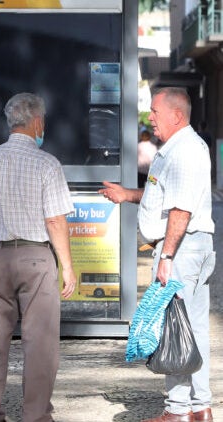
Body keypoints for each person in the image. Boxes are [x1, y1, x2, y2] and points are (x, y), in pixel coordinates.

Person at [0, 92, 76, 422]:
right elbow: (55, 221)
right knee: (39, 345)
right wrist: (67, 266)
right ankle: (35, 416)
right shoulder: (46, 163)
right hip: (36, 261)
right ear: (37, 122)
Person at [99, 87, 215, 422]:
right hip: (188, 248)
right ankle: (199, 407)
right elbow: (163, 198)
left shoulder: (185, 151)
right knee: (191, 328)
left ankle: (177, 410)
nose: (150, 118)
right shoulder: (178, 148)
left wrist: (166, 257)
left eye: (154, 111)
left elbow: (180, 210)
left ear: (176, 115)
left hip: (179, 250)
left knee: (172, 327)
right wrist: (127, 195)